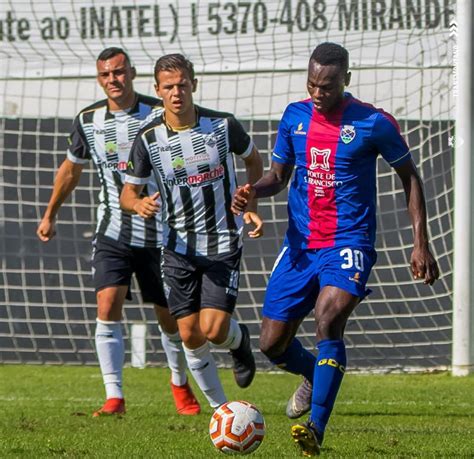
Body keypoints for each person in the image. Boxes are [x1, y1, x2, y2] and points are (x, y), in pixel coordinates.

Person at [231, 42, 439, 456]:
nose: (317, 93)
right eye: (311, 84)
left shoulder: (374, 123)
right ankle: (313, 373)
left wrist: (421, 243)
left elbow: (410, 177)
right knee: (272, 344)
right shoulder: (294, 116)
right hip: (300, 246)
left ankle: (316, 428)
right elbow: (277, 175)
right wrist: (253, 190)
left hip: (349, 242)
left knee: (328, 318)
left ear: (346, 78)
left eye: (326, 86)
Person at [37, 47, 200, 417]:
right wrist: (50, 214)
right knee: (107, 306)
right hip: (112, 230)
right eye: (106, 75)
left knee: (170, 317)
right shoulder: (88, 119)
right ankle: (114, 396)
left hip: (161, 234)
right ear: (100, 79)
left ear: (132, 74)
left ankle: (179, 382)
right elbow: (71, 169)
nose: (114, 80)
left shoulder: (158, 114)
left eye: (120, 73)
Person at [120, 53, 264, 409]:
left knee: (214, 330)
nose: (176, 93)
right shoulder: (149, 138)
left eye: (182, 85)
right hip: (176, 247)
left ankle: (238, 340)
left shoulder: (223, 125)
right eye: (168, 87)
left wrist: (251, 203)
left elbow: (254, 160)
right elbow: (128, 193)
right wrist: (138, 205)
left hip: (222, 241)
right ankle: (221, 413)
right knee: (188, 333)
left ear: (194, 85)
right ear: (157, 90)